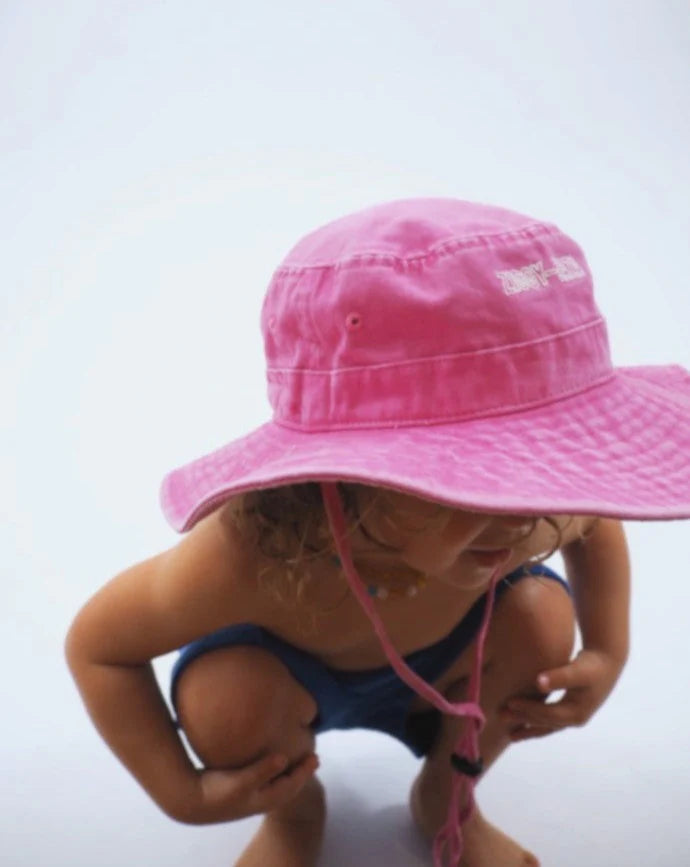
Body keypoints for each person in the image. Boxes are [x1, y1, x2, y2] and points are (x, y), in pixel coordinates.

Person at [65, 198, 690, 867]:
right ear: (346, 475)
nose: (518, 515)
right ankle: (293, 816)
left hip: (457, 660)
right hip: (288, 681)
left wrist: (607, 648)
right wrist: (180, 791)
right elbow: (99, 645)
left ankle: (449, 797)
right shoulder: (254, 549)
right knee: (226, 698)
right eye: (470, 476)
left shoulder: (533, 512)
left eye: (541, 468)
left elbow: (591, 524)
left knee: (541, 615)